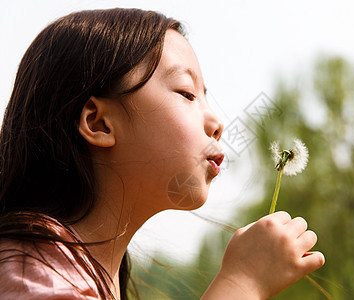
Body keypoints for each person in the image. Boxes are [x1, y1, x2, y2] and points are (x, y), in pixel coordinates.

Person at [0, 8, 324, 300]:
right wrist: (242, 284)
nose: (217, 123)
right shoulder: (29, 272)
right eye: (187, 93)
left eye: (205, 97)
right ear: (99, 123)